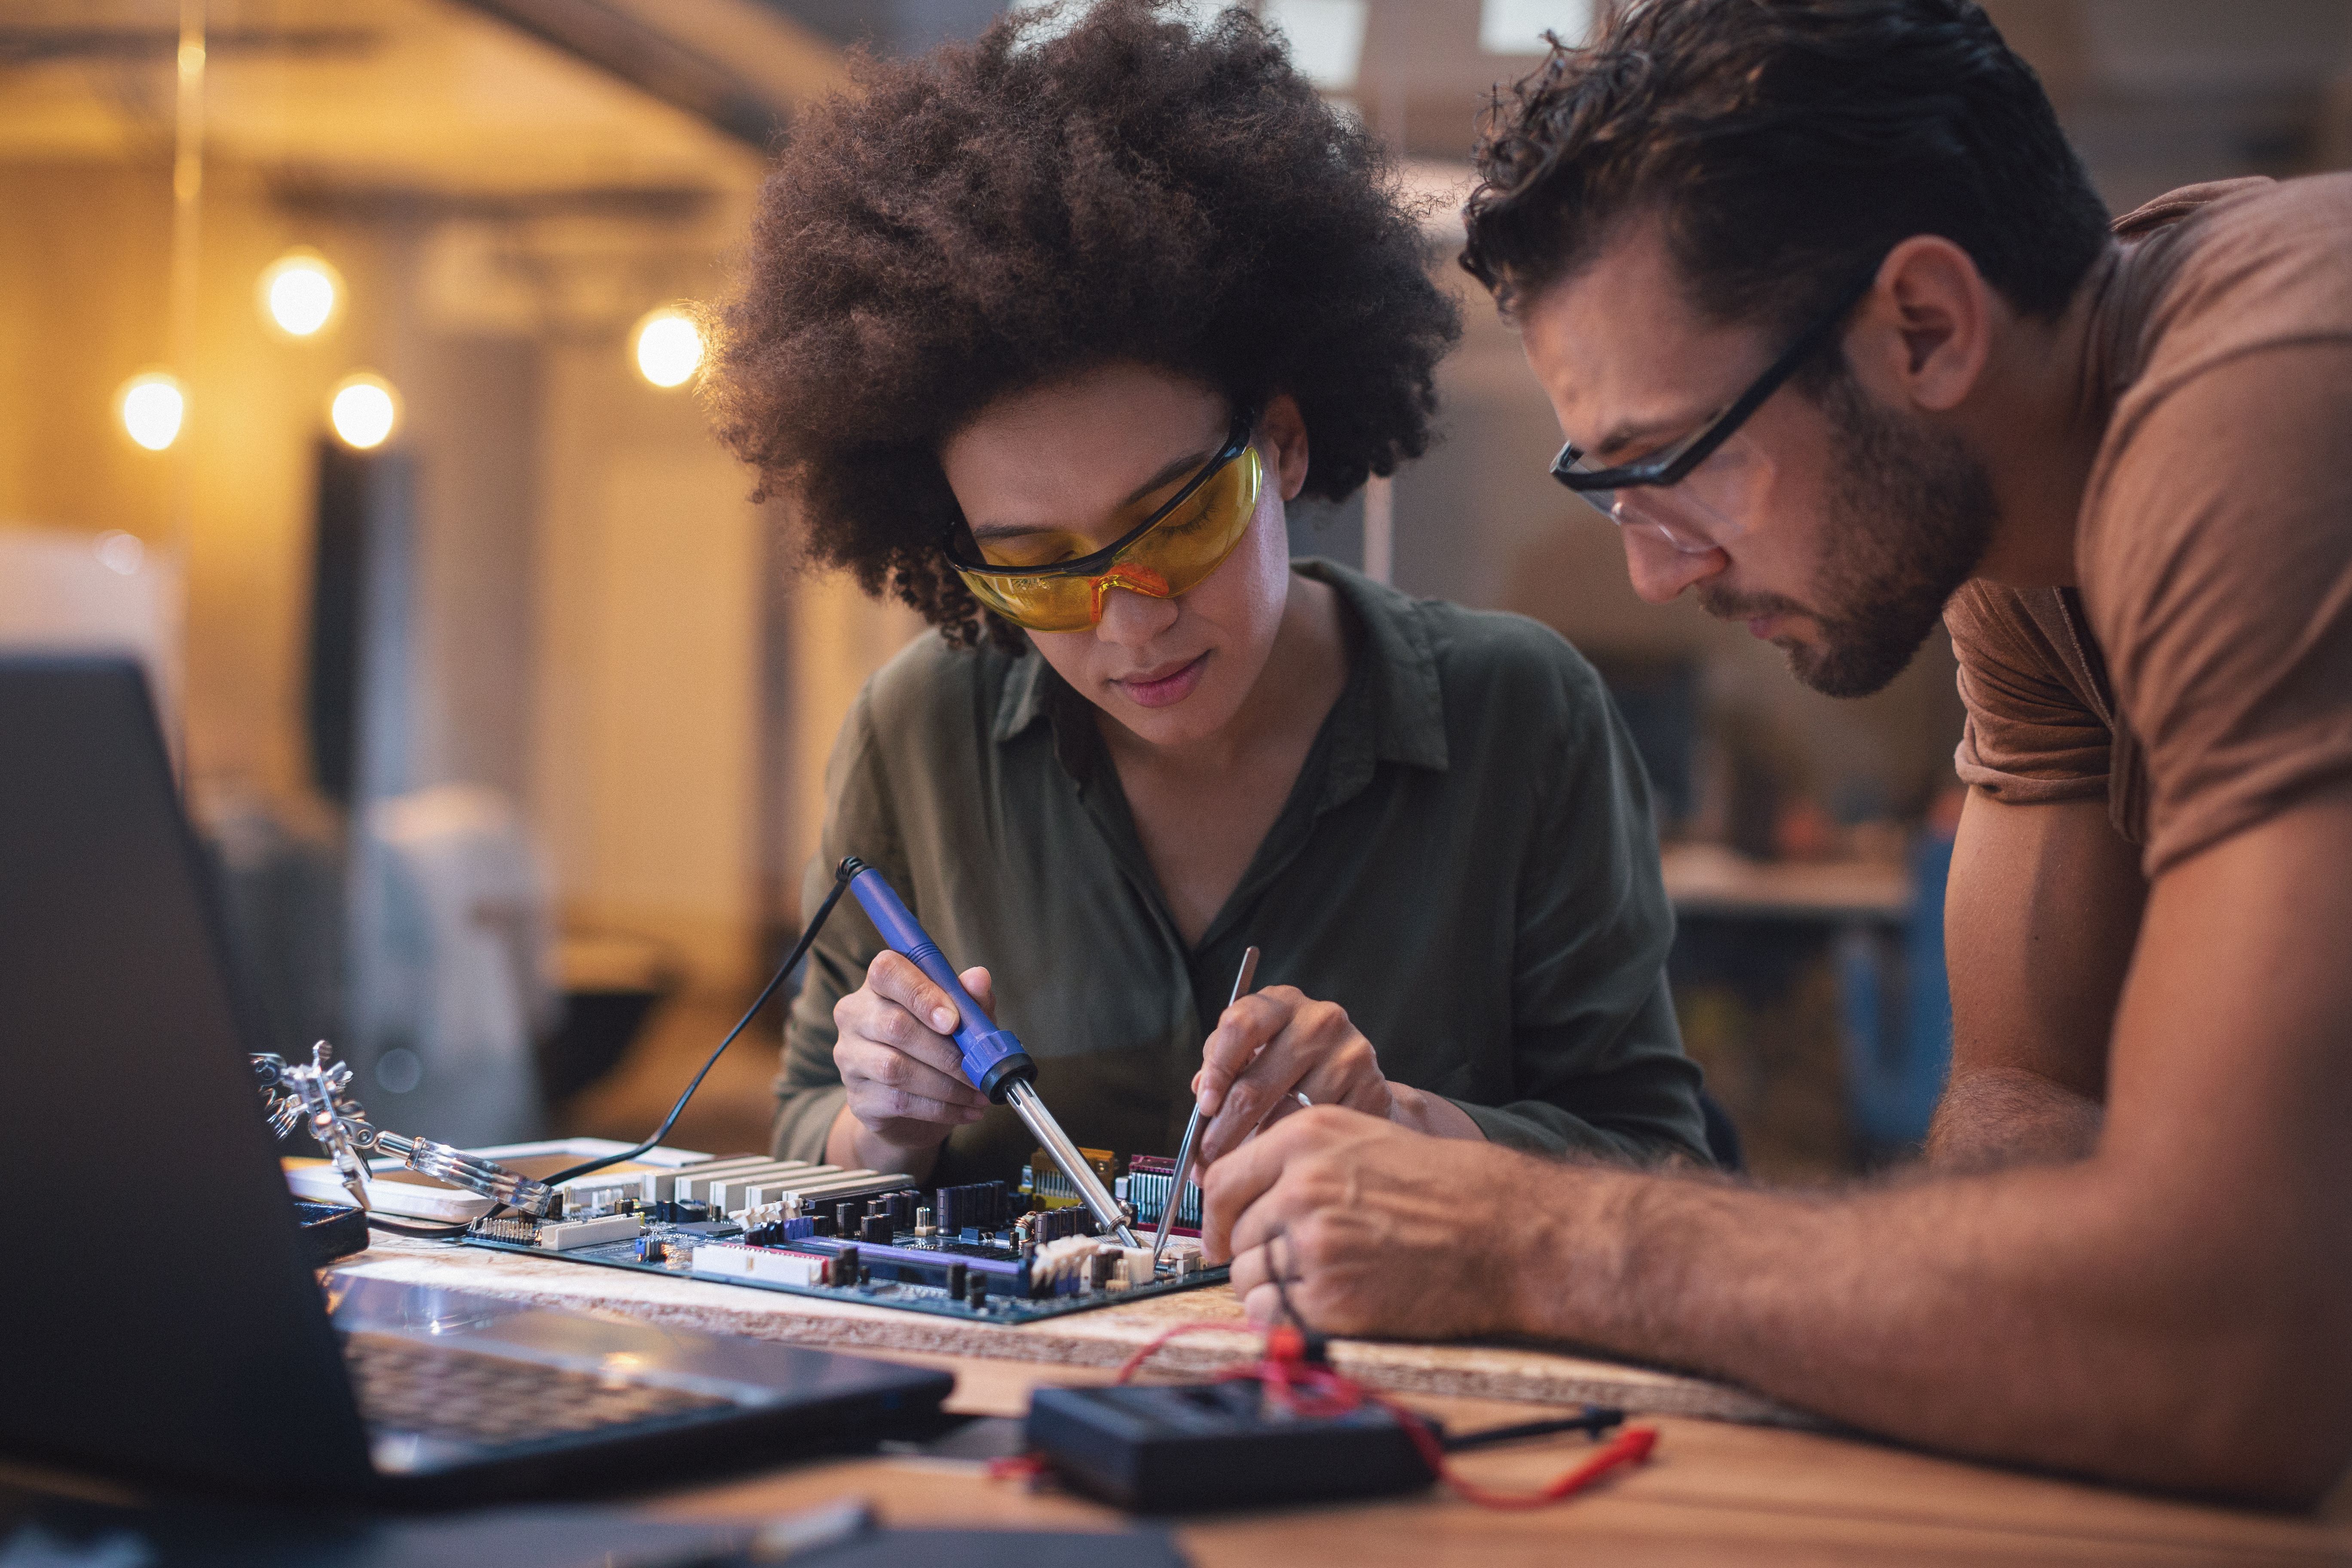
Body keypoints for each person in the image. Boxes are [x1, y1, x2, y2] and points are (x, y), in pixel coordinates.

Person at [1204, 0, 2352, 1504]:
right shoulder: (2022, 532)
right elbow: (2023, 1132)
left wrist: (1526, 1232)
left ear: (1925, 329)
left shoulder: (2265, 407)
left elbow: (2235, 1344)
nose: (1655, 575)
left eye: (1668, 466)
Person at [705, 1, 1714, 1197]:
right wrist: (878, 1121)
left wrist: (1402, 1122)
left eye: (1179, 523)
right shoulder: (917, 735)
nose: (1130, 622)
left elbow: (1661, 1165)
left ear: (1281, 448)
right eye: (1038, 567)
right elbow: (801, 1131)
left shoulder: (1519, 715)